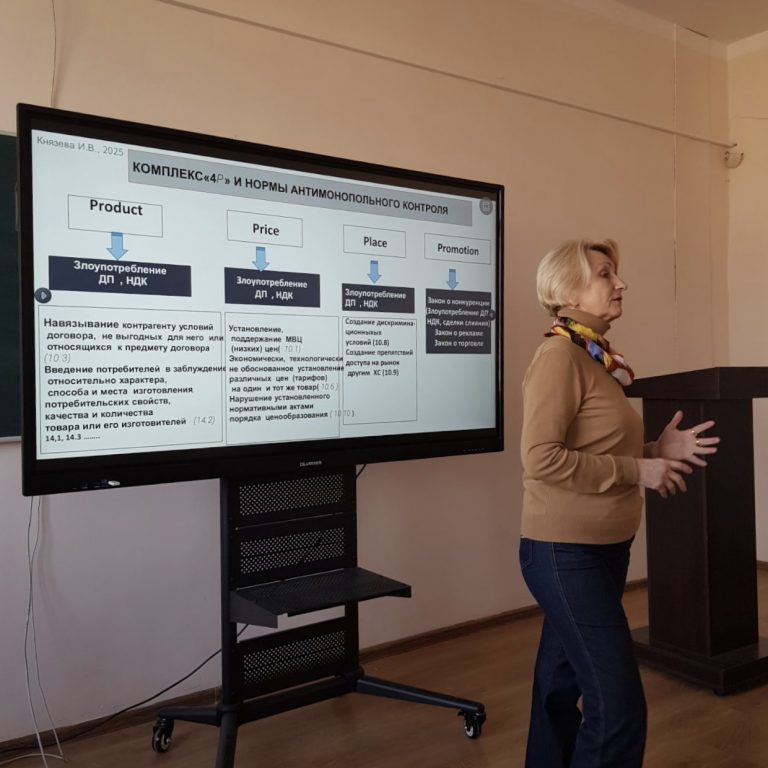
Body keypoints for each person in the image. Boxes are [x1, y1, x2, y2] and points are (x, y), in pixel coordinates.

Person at [519, 238, 719, 768]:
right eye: (605, 274)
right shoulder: (558, 357)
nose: (621, 283)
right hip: (565, 552)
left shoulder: (593, 359)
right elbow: (541, 459)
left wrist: (656, 450)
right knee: (619, 706)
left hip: (604, 547)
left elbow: (598, 450)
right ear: (568, 290)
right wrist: (639, 469)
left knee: (558, 689)